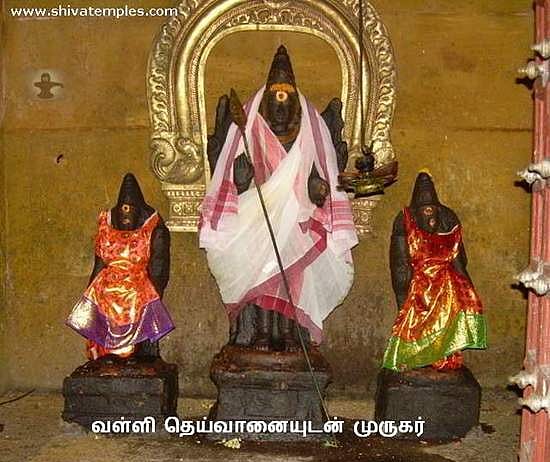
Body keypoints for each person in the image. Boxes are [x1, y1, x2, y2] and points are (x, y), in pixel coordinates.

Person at [200, 45, 358, 351]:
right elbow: (233, 181)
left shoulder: (308, 134)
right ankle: (260, 332)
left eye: (286, 104)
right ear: (266, 106)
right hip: (257, 216)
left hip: (297, 217)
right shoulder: (250, 133)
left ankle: (289, 334)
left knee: (292, 272)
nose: (280, 112)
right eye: (275, 104)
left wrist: (318, 190)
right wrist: (241, 181)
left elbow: (317, 178)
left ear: (296, 107)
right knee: (260, 268)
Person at [383, 171, 487, 371]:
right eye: (425, 212)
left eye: (432, 212)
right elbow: (400, 265)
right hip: (418, 281)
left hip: (444, 284)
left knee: (446, 316)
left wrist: (469, 291)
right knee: (415, 319)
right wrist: (404, 297)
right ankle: (416, 355)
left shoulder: (448, 218)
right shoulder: (404, 220)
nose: (430, 218)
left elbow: (459, 260)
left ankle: (442, 353)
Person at [66, 173, 174, 360]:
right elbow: (99, 264)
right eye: (122, 213)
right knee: (101, 299)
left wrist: (154, 294)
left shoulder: (153, 229)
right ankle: (105, 352)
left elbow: (159, 268)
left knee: (134, 299)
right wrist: (89, 295)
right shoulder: (106, 227)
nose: (126, 218)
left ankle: (133, 351)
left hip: (136, 285)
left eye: (130, 213)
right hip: (107, 285)